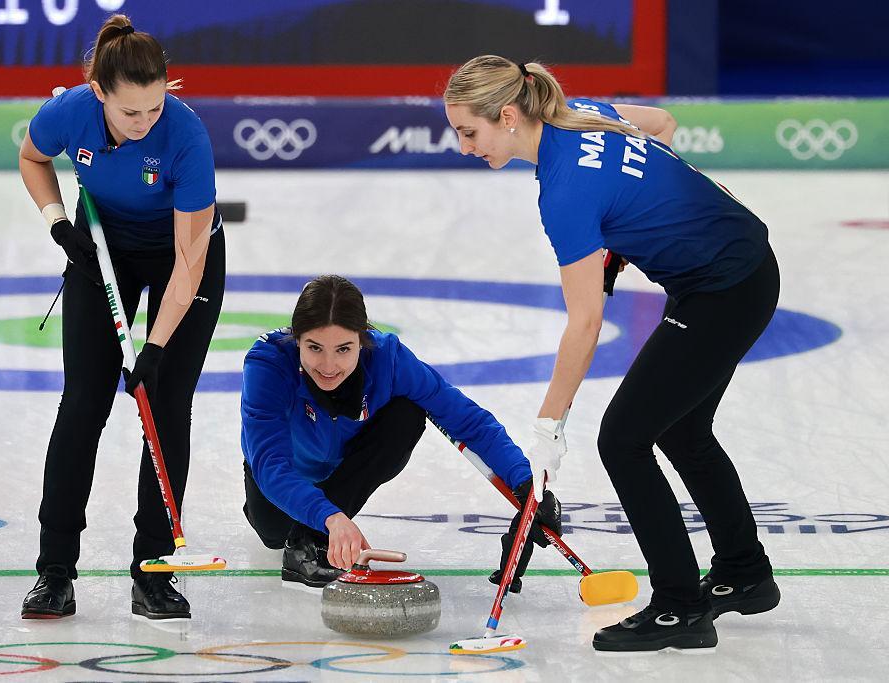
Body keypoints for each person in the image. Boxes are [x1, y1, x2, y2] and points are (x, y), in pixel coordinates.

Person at [443, 55, 781, 652]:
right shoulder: (582, 115)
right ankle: (744, 572)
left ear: (507, 115)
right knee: (681, 430)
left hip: (723, 288)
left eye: (470, 132)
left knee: (623, 439)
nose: (465, 148)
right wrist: (631, 232)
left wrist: (549, 422)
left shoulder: (565, 193)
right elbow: (662, 124)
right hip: (741, 266)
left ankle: (680, 608)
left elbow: (586, 322)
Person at [16, 14, 225, 621]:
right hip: (100, 247)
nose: (144, 124)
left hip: (179, 258)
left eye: (155, 109)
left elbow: (189, 266)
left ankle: (154, 574)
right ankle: (54, 571)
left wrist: (154, 349)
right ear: (100, 94)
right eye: (131, 113)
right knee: (83, 404)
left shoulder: (187, 139)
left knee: (165, 403)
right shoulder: (68, 113)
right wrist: (58, 221)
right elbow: (33, 159)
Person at [240, 274, 562, 589]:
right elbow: (270, 464)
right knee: (274, 533)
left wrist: (527, 486)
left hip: (342, 474)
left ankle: (311, 539)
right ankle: (310, 525)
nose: (328, 365)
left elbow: (466, 419)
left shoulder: (388, 359)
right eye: (314, 348)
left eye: (343, 349)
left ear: (362, 340)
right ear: (297, 338)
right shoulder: (268, 363)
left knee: (407, 414)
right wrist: (331, 517)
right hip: (281, 482)